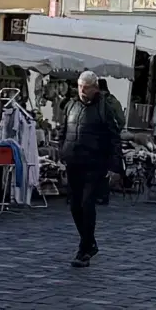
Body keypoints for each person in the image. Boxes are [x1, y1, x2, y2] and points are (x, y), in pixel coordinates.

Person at [64, 70, 127, 267]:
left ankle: (84, 250)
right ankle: (90, 243)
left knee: (87, 205)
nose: (82, 90)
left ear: (95, 88)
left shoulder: (104, 108)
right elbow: (63, 130)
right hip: (73, 162)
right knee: (75, 206)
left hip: (94, 163)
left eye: (86, 87)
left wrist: (115, 166)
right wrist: (61, 152)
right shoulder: (71, 105)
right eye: (80, 86)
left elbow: (114, 137)